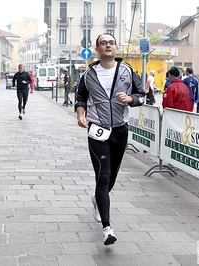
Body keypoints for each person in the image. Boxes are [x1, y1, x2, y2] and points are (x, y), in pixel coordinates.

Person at [75, 33, 145, 246]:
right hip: (97, 130)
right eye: (103, 43)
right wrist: (80, 113)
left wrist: (131, 99)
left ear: (116, 48)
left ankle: (98, 199)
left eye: (111, 42)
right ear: (97, 49)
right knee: (103, 176)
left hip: (120, 130)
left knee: (112, 176)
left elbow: (143, 96)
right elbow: (80, 98)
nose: (108, 45)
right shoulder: (89, 74)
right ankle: (107, 227)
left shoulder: (127, 71)